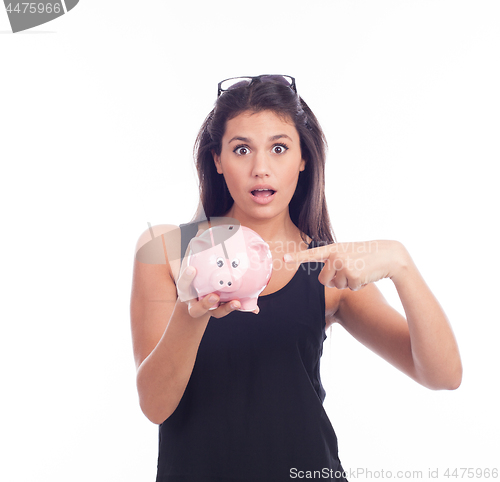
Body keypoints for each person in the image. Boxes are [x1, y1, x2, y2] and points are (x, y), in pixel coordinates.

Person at [130, 75, 462, 482]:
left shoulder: (326, 268)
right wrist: (193, 313)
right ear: (217, 160)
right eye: (241, 149)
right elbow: (155, 406)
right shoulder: (166, 250)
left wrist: (403, 266)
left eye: (279, 148)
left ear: (303, 158)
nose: (260, 168)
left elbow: (444, 376)